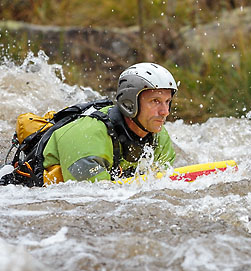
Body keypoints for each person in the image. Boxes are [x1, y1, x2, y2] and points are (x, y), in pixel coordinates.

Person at [40, 62, 177, 184]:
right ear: (129, 103)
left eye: (167, 102)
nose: (165, 112)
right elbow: (94, 198)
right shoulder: (88, 136)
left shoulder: (160, 137)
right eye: (155, 101)